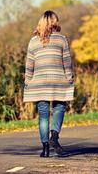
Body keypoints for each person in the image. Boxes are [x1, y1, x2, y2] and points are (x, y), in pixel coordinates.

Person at [23, 10, 75, 157]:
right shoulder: (61, 39)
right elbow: (67, 62)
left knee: (43, 115)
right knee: (60, 107)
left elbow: (29, 65)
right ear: (54, 22)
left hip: (39, 83)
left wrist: (28, 80)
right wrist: (69, 78)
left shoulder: (33, 41)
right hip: (59, 81)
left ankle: (45, 148)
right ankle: (54, 137)